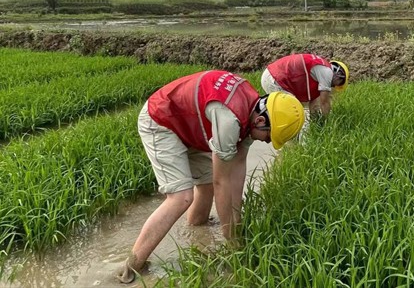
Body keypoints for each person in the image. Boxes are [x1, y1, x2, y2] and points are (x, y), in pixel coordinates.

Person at [117, 70, 304, 283]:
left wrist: (236, 219)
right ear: (261, 121)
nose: (267, 142)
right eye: (269, 137)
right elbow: (222, 182)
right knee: (181, 197)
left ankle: (196, 230)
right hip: (161, 120)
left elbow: (237, 169)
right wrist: (231, 238)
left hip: (191, 126)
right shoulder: (230, 120)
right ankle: (131, 267)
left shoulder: (251, 111)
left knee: (205, 187)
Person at [261, 53, 349, 117]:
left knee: (290, 114)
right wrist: (328, 123)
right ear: (339, 75)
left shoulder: (319, 72)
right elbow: (324, 102)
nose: (333, 87)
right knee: (298, 114)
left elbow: (315, 105)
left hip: (272, 77)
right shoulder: (327, 72)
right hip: (275, 79)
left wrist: (317, 120)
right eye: (338, 84)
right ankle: (303, 142)